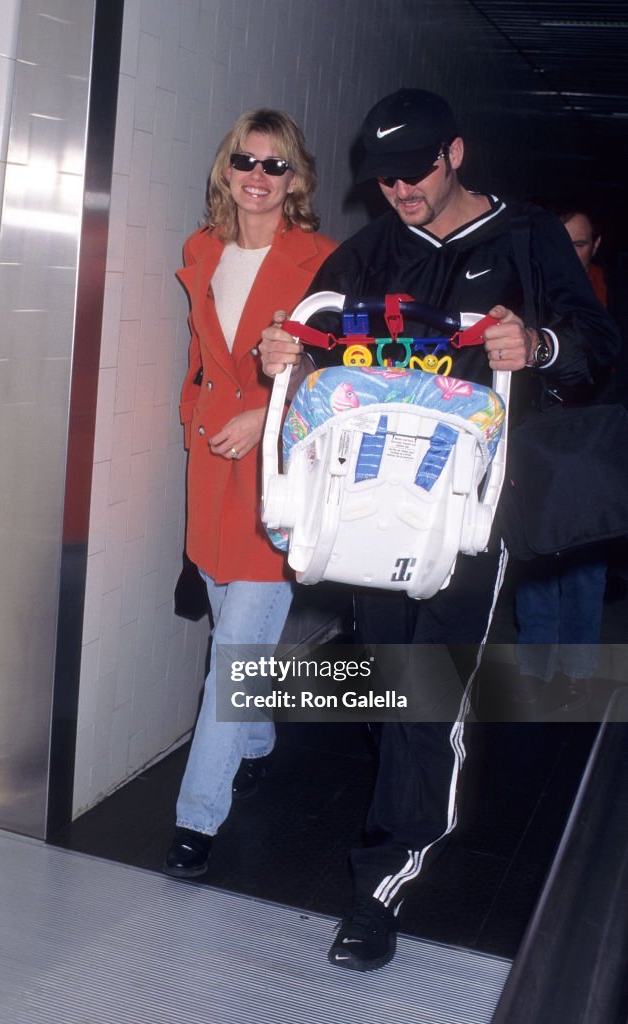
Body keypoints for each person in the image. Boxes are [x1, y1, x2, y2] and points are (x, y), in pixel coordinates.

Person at [259, 88, 620, 971]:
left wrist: (535, 347)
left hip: (473, 508)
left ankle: (381, 881)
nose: (399, 190)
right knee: (392, 687)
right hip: (379, 505)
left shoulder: (528, 239)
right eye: (383, 177)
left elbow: (594, 345)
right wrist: (289, 353)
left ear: (454, 153)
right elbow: (308, 339)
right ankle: (417, 785)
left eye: (414, 170)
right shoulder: (371, 248)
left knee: (426, 691)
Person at [163, 109, 336, 879]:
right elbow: (203, 356)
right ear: (225, 169)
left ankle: (197, 818)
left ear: (295, 180)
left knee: (232, 657)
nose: (258, 178)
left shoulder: (322, 260)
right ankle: (259, 739)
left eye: (276, 166)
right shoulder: (203, 249)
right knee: (231, 635)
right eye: (246, 161)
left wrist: (265, 412)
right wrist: (194, 415)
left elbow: (343, 373)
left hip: (278, 467)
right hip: (210, 462)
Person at [512, 201, 616, 709]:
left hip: (593, 448)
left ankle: (577, 670)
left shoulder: (609, 303)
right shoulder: (531, 293)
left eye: (578, 242)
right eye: (561, 241)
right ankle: (535, 669)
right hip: (539, 444)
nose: (568, 252)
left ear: (594, 247)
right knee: (534, 552)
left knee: (584, 561)